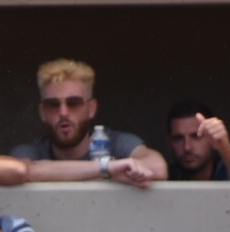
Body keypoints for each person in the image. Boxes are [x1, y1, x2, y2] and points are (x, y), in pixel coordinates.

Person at [10, 59, 166, 188]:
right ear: (42, 112)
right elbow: (22, 171)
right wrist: (108, 169)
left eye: (74, 102)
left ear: (91, 108)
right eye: (53, 104)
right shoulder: (31, 150)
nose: (63, 112)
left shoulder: (117, 142)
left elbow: (157, 168)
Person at [163, 100, 230, 181]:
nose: (187, 147)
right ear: (168, 143)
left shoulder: (228, 171)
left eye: (197, 136)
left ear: (212, 138)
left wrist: (224, 147)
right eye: (178, 138)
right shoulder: (167, 176)